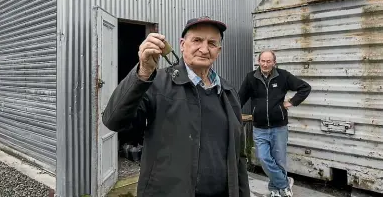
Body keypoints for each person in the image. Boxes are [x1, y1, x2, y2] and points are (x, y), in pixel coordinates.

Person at [103, 17, 250, 197]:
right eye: (197, 40)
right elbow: (113, 120)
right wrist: (142, 73)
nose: (204, 49)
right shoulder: (156, 84)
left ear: (218, 50)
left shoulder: (228, 92)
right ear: (182, 44)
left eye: (212, 43)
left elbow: (239, 157)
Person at [238, 51, 311, 197]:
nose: (265, 64)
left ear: (274, 63)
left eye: (268, 61)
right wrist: (232, 114)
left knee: (279, 160)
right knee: (263, 158)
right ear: (258, 61)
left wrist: (291, 102)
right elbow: (240, 98)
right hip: (259, 127)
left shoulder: (283, 76)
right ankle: (285, 183)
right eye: (263, 61)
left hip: (279, 127)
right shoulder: (251, 78)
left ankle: (275, 190)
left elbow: (305, 87)